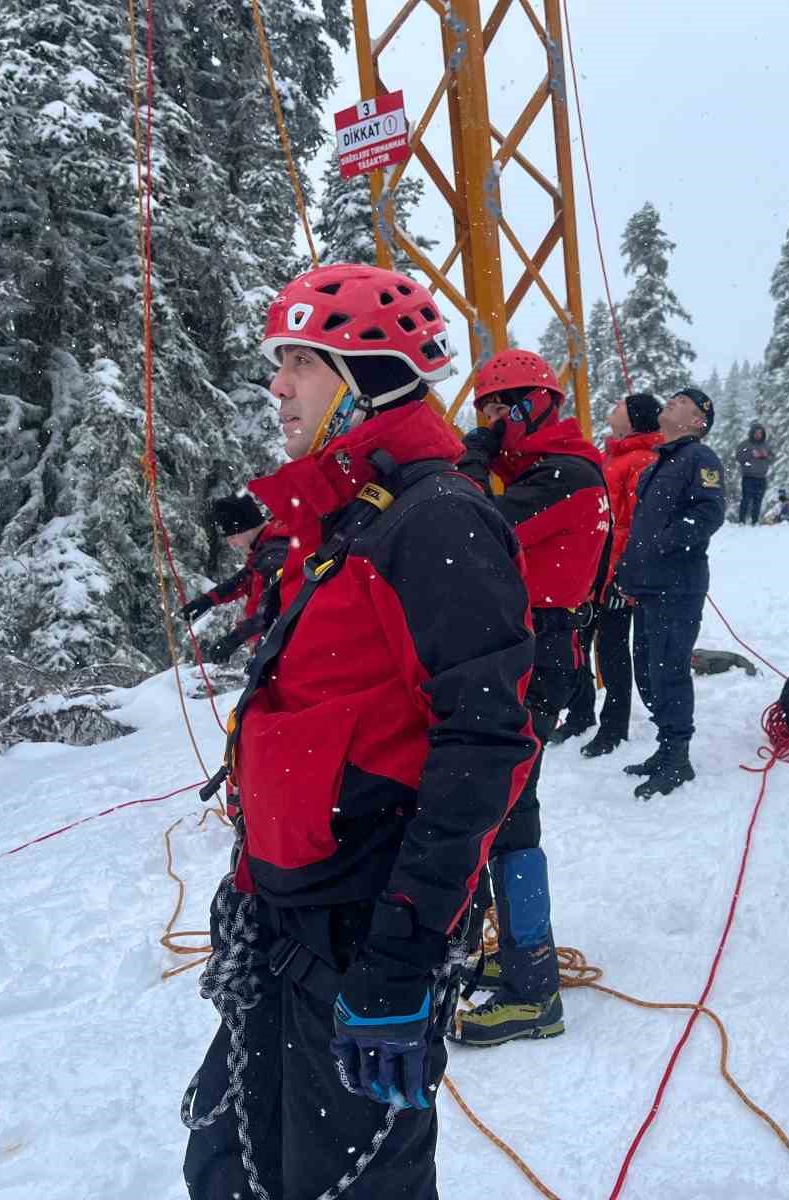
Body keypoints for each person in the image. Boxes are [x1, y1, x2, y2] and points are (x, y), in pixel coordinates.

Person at [183, 263, 537, 1200]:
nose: (277, 385)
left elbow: (485, 745)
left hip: (364, 924)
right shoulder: (345, 517)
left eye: (300, 362)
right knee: (226, 1166)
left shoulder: (437, 521)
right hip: (287, 908)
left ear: (368, 379)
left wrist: (402, 956)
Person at [452, 348, 609, 1046]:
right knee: (506, 805)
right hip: (525, 644)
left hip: (535, 649)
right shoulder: (545, 469)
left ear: (535, 405)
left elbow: (469, 526)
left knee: (508, 807)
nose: (494, 420)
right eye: (485, 408)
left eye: (503, 406)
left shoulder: (564, 474)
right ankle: (518, 958)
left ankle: (533, 987)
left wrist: (471, 458)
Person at [617, 385, 726, 798]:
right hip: (648, 585)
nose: (673, 401)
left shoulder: (700, 457)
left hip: (678, 585)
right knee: (649, 671)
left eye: (684, 402)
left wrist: (665, 543)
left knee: (670, 670)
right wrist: (629, 571)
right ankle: (665, 748)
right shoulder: (657, 464)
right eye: (674, 397)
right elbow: (641, 529)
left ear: (698, 422)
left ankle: (678, 757)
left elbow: (709, 512)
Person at [578, 393, 663, 758]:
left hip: (616, 573)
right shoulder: (611, 455)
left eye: (621, 406)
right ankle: (580, 714)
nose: (613, 407)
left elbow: (637, 526)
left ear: (634, 419)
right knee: (579, 641)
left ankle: (614, 726)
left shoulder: (642, 460)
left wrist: (623, 575)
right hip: (594, 567)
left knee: (611, 649)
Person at [179, 494, 291, 663]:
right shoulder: (266, 548)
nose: (231, 544)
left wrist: (234, 639)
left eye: (232, 536)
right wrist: (207, 601)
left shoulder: (275, 555)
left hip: (284, 649)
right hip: (276, 647)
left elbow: (272, 610)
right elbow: (244, 579)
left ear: (247, 527)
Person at [735, 422, 773, 525]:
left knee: (758, 501)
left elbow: (772, 457)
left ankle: (755, 521)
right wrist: (751, 454)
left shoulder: (766, 445)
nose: (758, 435)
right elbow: (738, 457)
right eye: (756, 433)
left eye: (760, 433)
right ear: (752, 433)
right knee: (746, 500)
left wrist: (766, 455)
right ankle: (741, 520)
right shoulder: (745, 444)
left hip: (761, 477)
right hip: (748, 477)